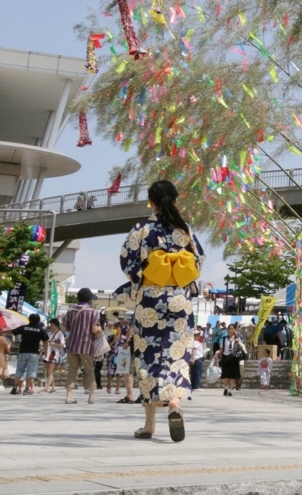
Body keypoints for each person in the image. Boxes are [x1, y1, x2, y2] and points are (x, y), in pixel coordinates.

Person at [120, 180, 203, 442]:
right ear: (175, 200)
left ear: (151, 201)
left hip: (151, 301)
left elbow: (128, 263)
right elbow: (197, 261)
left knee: (148, 358)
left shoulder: (141, 229)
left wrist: (142, 280)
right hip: (179, 299)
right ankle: (175, 404)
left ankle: (149, 425)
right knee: (176, 356)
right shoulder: (185, 230)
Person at [63, 286, 100, 405]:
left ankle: (69, 396)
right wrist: (99, 328)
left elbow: (64, 327)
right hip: (86, 345)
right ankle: (91, 396)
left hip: (72, 345)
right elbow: (94, 329)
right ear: (89, 300)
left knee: (72, 370)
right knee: (89, 370)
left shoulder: (70, 310)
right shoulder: (92, 312)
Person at [12, 314, 49, 396]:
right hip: (33, 353)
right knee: (31, 371)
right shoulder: (41, 330)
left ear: (29, 319)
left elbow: (12, 331)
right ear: (39, 321)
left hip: (22, 352)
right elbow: (45, 341)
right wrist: (46, 352)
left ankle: (15, 386)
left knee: (19, 370)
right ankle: (26, 389)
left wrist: (0, 332)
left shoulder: (24, 327)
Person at [213, 324, 246, 396]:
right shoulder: (224, 339)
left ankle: (230, 390)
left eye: (232, 329)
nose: (231, 330)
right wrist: (218, 352)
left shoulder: (237, 338)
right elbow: (222, 348)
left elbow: (241, 347)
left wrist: (238, 342)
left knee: (233, 376)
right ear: (228, 330)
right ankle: (226, 387)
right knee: (226, 375)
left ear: (234, 330)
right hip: (226, 357)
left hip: (234, 358)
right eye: (229, 329)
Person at [43, 318, 66, 393]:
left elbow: (62, 344)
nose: (50, 325)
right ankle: (53, 387)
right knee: (49, 371)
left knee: (50, 370)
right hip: (47, 352)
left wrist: (54, 344)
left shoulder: (60, 333)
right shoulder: (49, 333)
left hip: (55, 353)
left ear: (55, 325)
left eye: (52, 324)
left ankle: (46, 388)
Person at [189, 330, 206, 395]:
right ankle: (195, 386)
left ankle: (194, 385)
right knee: (197, 373)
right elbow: (194, 350)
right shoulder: (195, 342)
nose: (197, 336)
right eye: (196, 335)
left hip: (198, 359)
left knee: (195, 373)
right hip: (197, 359)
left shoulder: (198, 342)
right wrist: (193, 358)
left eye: (198, 335)